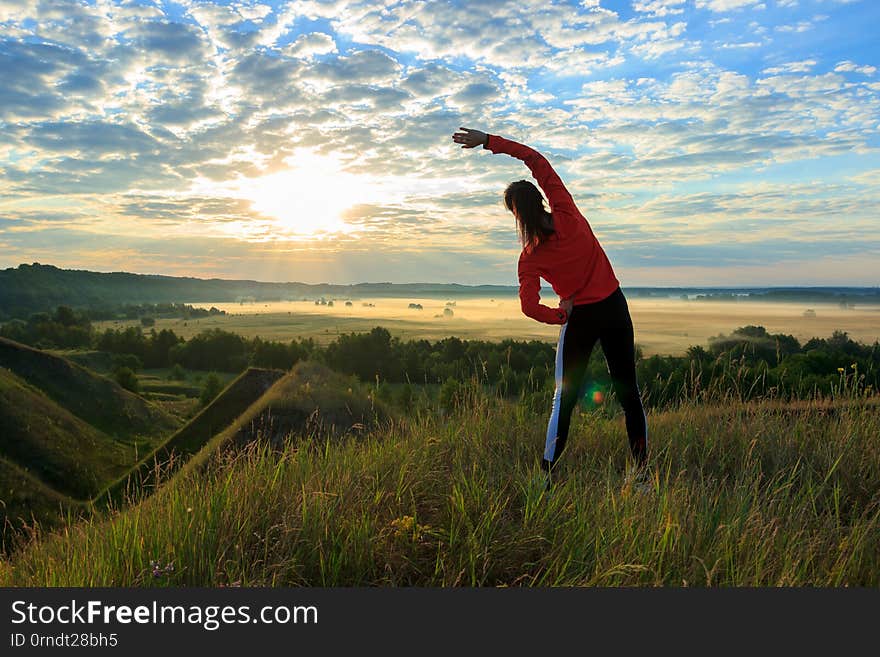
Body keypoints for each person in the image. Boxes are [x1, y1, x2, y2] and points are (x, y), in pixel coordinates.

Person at [452, 127, 648, 490]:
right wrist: (489, 141)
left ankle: (546, 478)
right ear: (540, 198)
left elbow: (528, 306)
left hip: (580, 319)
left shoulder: (530, 257)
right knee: (628, 393)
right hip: (615, 307)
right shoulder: (567, 212)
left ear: (516, 216)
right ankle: (641, 475)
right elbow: (536, 160)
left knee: (565, 399)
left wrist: (560, 315)